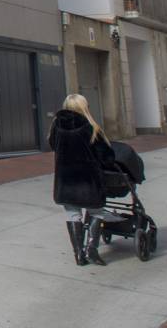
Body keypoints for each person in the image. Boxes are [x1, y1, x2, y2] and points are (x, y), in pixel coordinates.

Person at [49, 93, 115, 266]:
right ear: (84, 107)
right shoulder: (91, 127)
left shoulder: (56, 126)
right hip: (89, 181)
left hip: (66, 181)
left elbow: (52, 145)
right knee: (96, 211)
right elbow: (106, 156)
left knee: (73, 214)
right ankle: (91, 250)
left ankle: (78, 254)